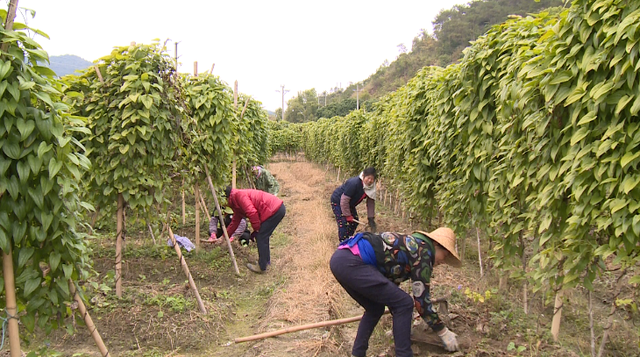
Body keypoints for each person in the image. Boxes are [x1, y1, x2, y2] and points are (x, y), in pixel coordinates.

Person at [330, 228, 462, 357]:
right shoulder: (424, 252)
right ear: (436, 245)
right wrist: (442, 331)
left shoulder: (411, 245)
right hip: (352, 262)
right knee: (404, 303)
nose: (443, 261)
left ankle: (357, 353)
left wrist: (402, 325)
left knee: (375, 308)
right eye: (445, 256)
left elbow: (391, 293)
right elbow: (421, 302)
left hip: (340, 260)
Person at [224, 185, 286, 273]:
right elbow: (235, 221)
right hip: (275, 208)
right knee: (263, 236)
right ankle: (265, 261)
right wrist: (224, 237)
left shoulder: (238, 196)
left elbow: (252, 212)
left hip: (274, 209)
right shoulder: (235, 201)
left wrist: (256, 228)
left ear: (226, 197)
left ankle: (262, 267)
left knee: (261, 236)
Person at [330, 167, 377, 241]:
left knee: (354, 222)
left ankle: (348, 239)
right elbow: (344, 200)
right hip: (338, 201)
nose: (370, 181)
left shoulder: (371, 188)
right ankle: (343, 244)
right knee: (343, 223)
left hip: (350, 204)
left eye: (372, 179)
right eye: (368, 178)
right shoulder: (354, 183)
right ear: (363, 176)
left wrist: (371, 219)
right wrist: (347, 215)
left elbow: (370, 203)